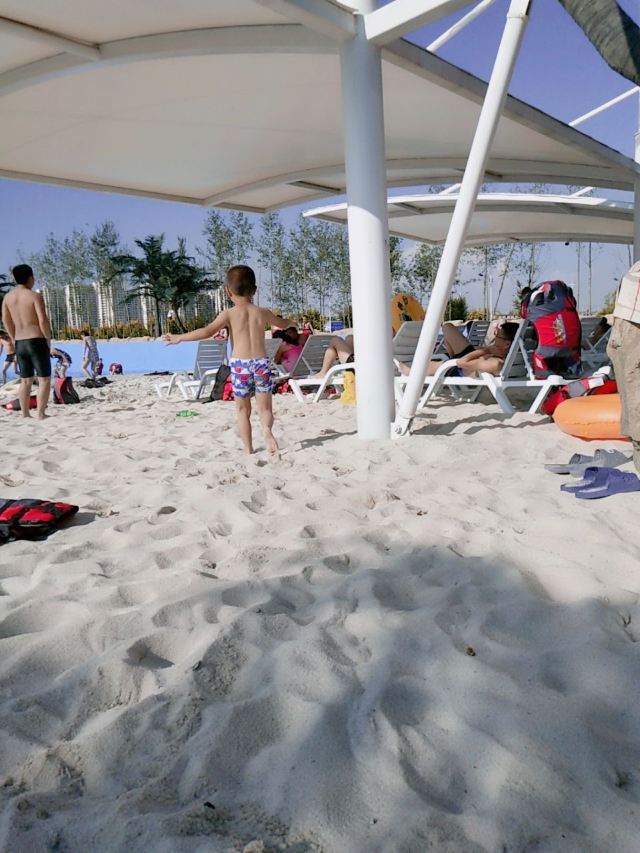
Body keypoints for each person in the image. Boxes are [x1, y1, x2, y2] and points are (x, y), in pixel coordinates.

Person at [163, 265, 294, 455]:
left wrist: (179, 337)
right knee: (265, 408)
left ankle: (248, 449)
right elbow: (281, 323)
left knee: (242, 410)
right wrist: (291, 322)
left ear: (228, 291)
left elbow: (206, 331)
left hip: (240, 365)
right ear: (255, 290)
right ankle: (266, 431)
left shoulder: (229, 314)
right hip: (261, 363)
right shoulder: (262, 312)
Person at [1, 264, 52, 419]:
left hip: (20, 342)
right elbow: (42, 320)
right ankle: (41, 413)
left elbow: (6, 320)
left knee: (25, 380)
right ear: (30, 277)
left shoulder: (8, 298)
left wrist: (14, 337)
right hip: (36, 339)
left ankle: (25, 413)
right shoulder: (34, 296)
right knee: (44, 379)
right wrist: (47, 338)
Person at [399, 321, 520, 378]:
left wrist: (487, 350)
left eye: (497, 336)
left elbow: (461, 362)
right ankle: (450, 356)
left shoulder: (495, 363)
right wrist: (486, 350)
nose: (494, 337)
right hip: (465, 358)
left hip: (456, 368)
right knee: (447, 326)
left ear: (507, 344)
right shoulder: (500, 357)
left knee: (433, 365)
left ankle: (411, 373)